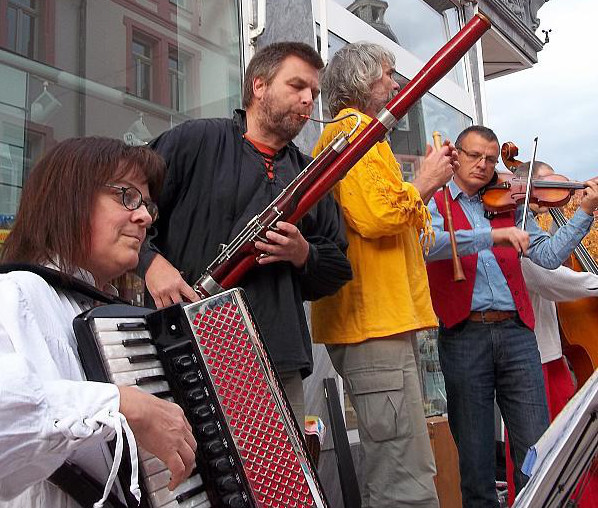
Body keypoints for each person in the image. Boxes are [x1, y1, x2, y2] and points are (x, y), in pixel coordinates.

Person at [139, 42, 352, 425]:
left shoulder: (311, 175)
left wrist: (303, 253)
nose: (308, 100)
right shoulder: (194, 141)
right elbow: (126, 207)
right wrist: (151, 263)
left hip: (277, 357)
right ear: (259, 86)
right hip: (191, 343)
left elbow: (338, 267)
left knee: (278, 481)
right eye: (297, 86)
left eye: (314, 93)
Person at [0, 137, 197, 507]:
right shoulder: (14, 294)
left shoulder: (107, 313)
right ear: (67, 200)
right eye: (126, 196)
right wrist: (124, 406)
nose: (146, 217)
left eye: (147, 204)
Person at [310, 42, 458, 508]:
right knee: (403, 477)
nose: (396, 84)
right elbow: (378, 216)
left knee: (402, 465)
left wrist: (417, 195)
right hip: (374, 323)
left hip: (382, 323)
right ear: (361, 81)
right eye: (389, 74)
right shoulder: (353, 130)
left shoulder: (367, 135)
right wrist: (425, 182)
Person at [425, 125, 598, 507]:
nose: (484, 165)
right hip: (463, 335)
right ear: (455, 156)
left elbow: (549, 256)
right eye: (474, 156)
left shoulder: (511, 204)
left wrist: (584, 211)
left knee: (537, 452)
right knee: (475, 458)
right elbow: (429, 244)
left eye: (490, 159)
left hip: (517, 334)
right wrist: (492, 236)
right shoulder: (434, 202)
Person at [504, 161, 598, 506]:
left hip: (549, 353)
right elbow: (549, 278)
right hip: (535, 357)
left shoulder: (533, 226)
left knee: (568, 446)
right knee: (551, 450)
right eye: (549, 186)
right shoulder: (514, 227)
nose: (560, 194)